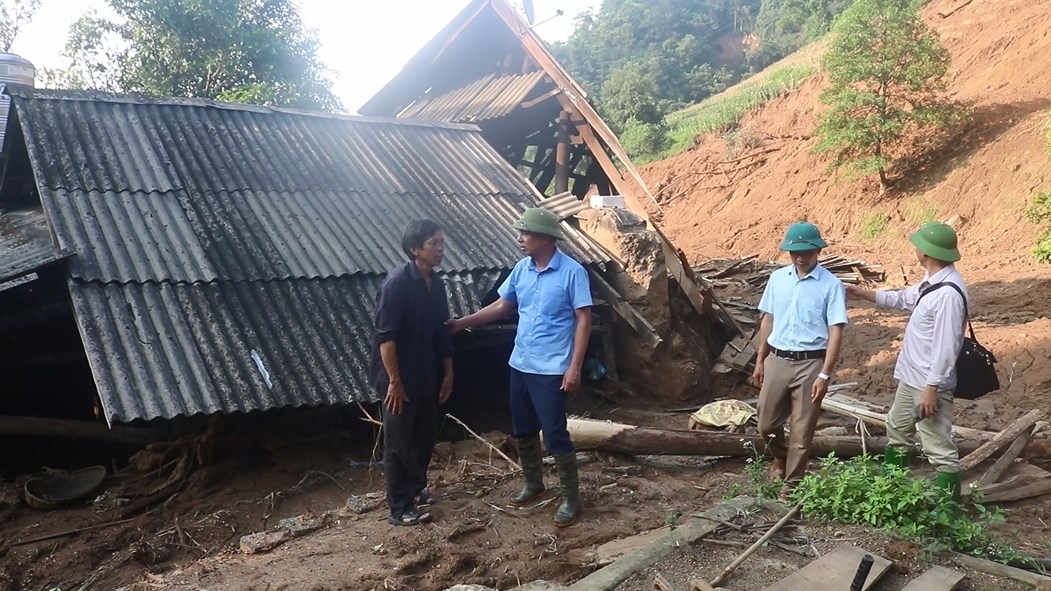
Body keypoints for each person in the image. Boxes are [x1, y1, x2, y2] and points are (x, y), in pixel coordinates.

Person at [449, 208, 592, 527]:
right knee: (523, 427)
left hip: (552, 367)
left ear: (544, 238)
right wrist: (462, 323)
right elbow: (503, 306)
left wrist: (574, 367)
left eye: (525, 234)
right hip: (521, 363)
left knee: (554, 432)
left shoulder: (572, 272)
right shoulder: (521, 270)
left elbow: (584, 319)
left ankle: (571, 498)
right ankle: (534, 483)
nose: (519, 239)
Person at [845, 221, 967, 499]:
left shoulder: (948, 294)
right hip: (911, 379)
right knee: (898, 429)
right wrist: (865, 294)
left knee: (937, 445)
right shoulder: (932, 282)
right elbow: (904, 298)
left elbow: (948, 347)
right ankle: (892, 492)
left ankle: (949, 513)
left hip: (928, 384)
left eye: (918, 245)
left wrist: (932, 389)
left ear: (926, 252)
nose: (915, 248)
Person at [754, 221, 848, 499]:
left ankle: (792, 485)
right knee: (766, 424)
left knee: (802, 429)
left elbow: (836, 331)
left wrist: (825, 374)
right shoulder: (778, 279)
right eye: (794, 252)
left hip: (811, 364)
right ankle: (780, 457)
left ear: (818, 250)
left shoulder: (831, 286)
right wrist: (760, 359)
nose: (800, 258)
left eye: (806, 252)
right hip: (778, 360)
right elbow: (767, 319)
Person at [370, 219, 454, 526]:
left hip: (426, 373)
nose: (440, 249)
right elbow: (386, 338)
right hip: (397, 377)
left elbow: (442, 332)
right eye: (434, 243)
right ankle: (399, 506)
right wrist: (394, 382)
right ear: (414, 249)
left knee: (424, 435)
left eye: (442, 243)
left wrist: (448, 372)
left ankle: (417, 488)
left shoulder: (437, 284)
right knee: (398, 441)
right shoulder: (396, 285)